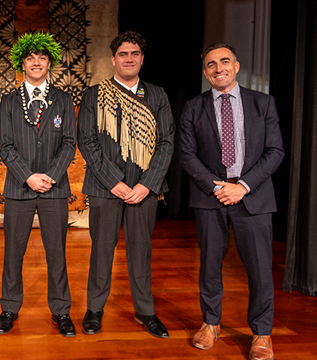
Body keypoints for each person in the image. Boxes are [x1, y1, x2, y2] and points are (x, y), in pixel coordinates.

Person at [179, 43, 284, 360]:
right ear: (205, 72)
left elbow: (275, 152)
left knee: (260, 271)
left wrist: (244, 186)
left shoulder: (262, 103)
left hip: (253, 197)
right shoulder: (193, 107)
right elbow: (187, 154)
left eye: (224, 61)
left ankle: (262, 334)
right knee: (209, 266)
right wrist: (217, 187)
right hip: (211, 197)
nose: (218, 68)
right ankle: (210, 323)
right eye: (211, 64)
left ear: (236, 66)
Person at [77, 31, 174, 338]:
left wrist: (148, 184)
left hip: (144, 189)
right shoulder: (94, 94)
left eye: (134, 54)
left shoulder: (157, 95)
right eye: (123, 54)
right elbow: (87, 141)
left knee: (140, 251)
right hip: (106, 188)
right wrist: (113, 181)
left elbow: (167, 142)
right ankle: (94, 308)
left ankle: (145, 311)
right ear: (113, 59)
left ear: (142, 59)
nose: (129, 59)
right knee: (101, 250)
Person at [0, 33, 77, 337]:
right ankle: (9, 308)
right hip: (19, 187)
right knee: (13, 251)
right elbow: (5, 146)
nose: (36, 62)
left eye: (42, 57)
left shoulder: (64, 100)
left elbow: (69, 143)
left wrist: (51, 175)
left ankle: (61, 310)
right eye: (30, 58)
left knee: (57, 251)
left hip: (55, 188)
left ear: (49, 63)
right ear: (22, 63)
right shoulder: (8, 101)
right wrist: (28, 176)